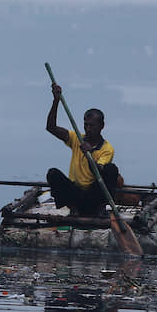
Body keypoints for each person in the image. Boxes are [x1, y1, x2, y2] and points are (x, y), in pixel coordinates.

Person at [45, 82, 120, 216]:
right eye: (86, 125)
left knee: (111, 169)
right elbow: (51, 128)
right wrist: (56, 101)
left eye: (92, 126)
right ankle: (73, 209)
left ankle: (100, 210)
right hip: (75, 196)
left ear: (102, 126)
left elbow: (98, 170)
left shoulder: (107, 148)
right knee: (53, 173)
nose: (88, 129)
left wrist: (89, 153)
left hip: (94, 196)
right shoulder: (76, 138)